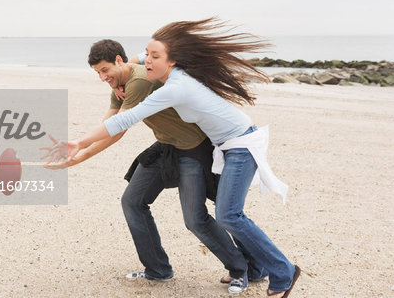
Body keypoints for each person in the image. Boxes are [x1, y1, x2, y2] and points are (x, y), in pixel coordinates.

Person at [47, 18, 300, 298]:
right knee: (141, 202)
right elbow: (136, 62)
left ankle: (272, 270)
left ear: (172, 61)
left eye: (155, 57)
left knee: (224, 215)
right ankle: (162, 269)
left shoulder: (172, 87)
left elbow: (123, 122)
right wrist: (121, 74)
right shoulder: (149, 70)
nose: (148, 61)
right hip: (202, 145)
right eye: (148, 55)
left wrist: (79, 147)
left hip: (238, 144)